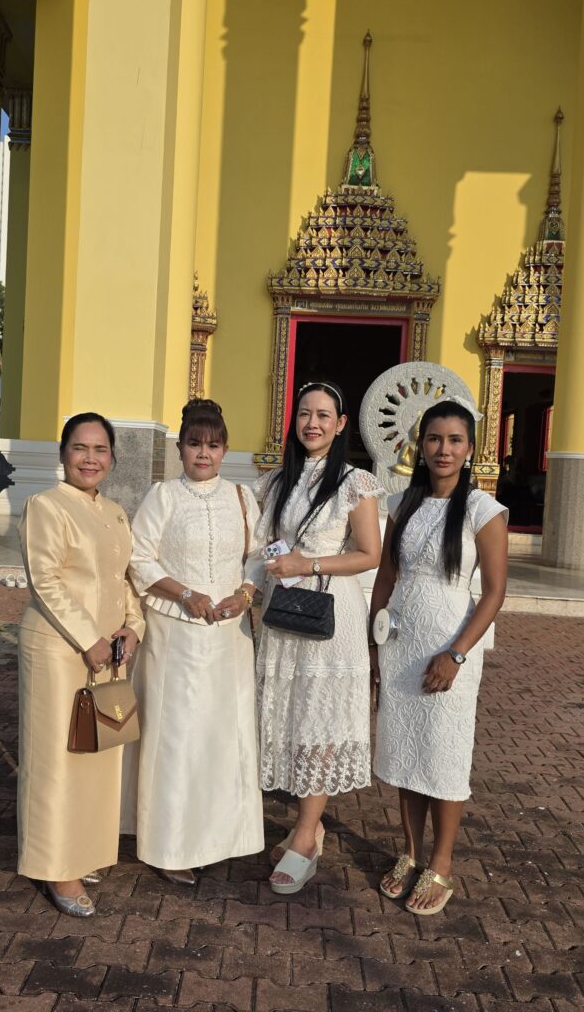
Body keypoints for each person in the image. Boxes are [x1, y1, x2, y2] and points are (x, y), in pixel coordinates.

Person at [370, 398, 508, 916]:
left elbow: (494, 592)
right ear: (420, 445)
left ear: (470, 448)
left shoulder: (482, 510)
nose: (443, 449)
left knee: (444, 754)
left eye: (454, 440)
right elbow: (386, 576)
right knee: (406, 750)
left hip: (451, 645)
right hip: (401, 642)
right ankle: (410, 852)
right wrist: (374, 643)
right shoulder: (402, 504)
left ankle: (441, 862)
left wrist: (455, 653)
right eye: (434, 439)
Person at [121, 399, 263, 883]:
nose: (204, 453)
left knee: (223, 734)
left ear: (225, 449)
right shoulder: (162, 496)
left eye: (213, 445)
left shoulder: (242, 498)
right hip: (174, 632)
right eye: (195, 444)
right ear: (180, 448)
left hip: (229, 636)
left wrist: (245, 594)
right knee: (176, 735)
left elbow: (258, 556)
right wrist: (185, 594)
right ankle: (169, 844)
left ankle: (221, 836)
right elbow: (139, 558)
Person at [250, 381, 383, 895]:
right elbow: (260, 544)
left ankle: (306, 836)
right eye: (305, 413)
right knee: (287, 714)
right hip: (282, 609)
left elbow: (369, 553)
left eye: (324, 415)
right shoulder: (275, 480)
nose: (313, 423)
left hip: (331, 613)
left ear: (341, 423)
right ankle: (306, 823)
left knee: (319, 718)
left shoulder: (354, 482)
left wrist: (308, 564)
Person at [17, 412, 145, 917]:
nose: (90, 459)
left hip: (108, 653)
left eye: (100, 449)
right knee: (56, 759)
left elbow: (124, 579)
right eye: (80, 448)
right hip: (58, 650)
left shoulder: (115, 511)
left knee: (98, 752)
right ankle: (56, 866)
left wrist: (133, 627)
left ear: (112, 457)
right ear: (63, 453)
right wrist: (88, 639)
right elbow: (44, 581)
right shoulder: (46, 506)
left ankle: (84, 849)